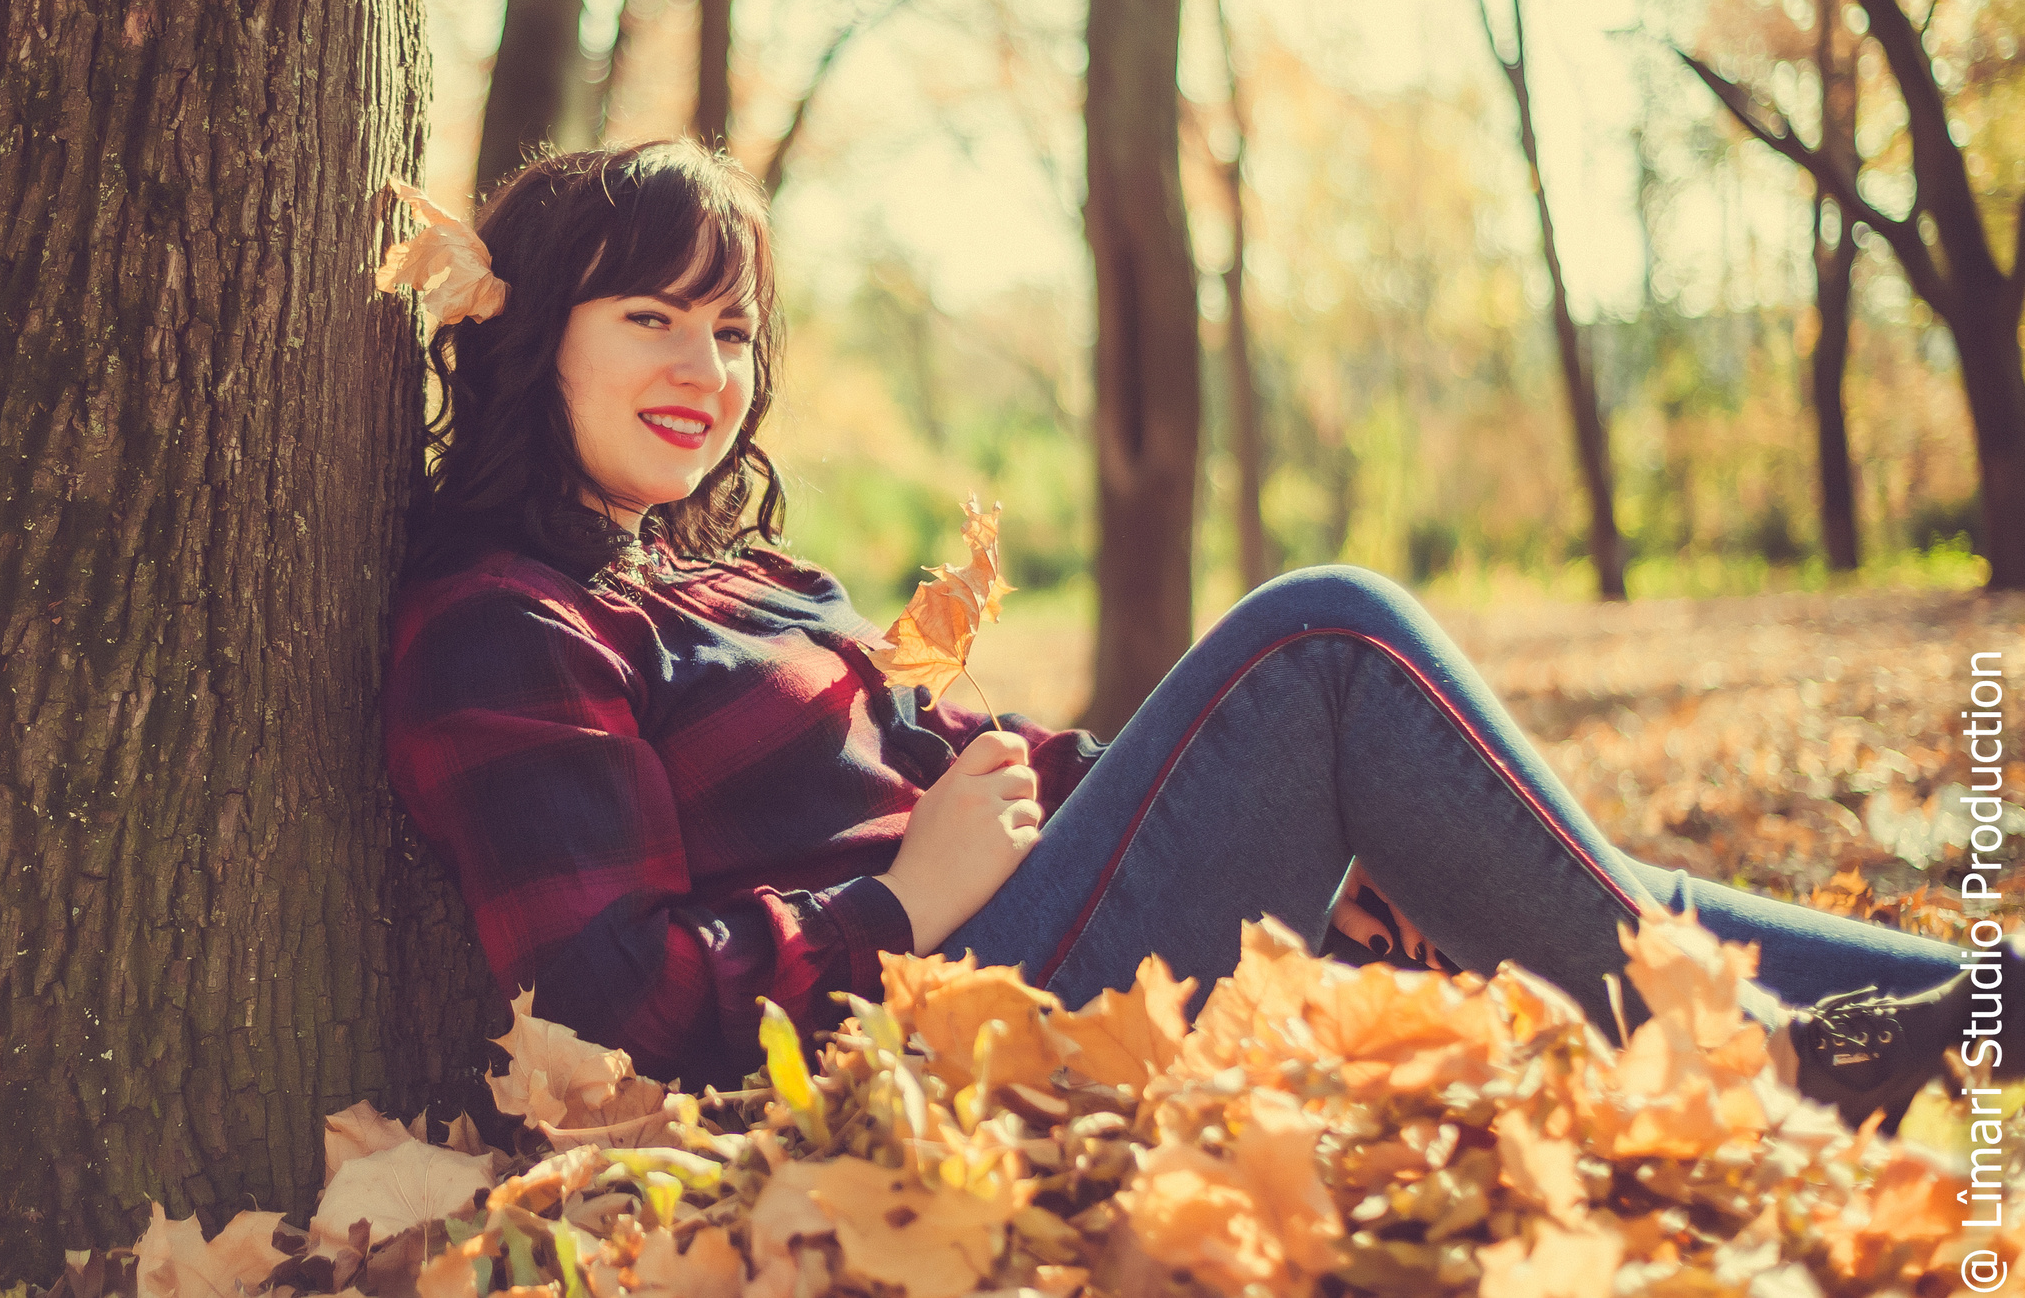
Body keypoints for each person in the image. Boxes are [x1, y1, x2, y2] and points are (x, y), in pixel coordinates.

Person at [381, 139, 2015, 1132]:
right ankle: (1804, 1063)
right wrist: (899, 900)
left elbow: (972, 755)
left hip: (1033, 931)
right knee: (1322, 639)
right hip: (921, 1040)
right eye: (650, 318)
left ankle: (1971, 1023)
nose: (705, 369)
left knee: (1545, 878)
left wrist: (1297, 814)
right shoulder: (504, 628)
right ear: (537, 339)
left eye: (732, 328)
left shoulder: (739, 576)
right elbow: (606, 1008)